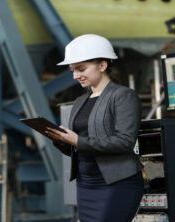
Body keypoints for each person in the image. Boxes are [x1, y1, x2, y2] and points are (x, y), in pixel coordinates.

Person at [45, 34, 144, 222]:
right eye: (73, 70)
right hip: (86, 183)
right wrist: (62, 140)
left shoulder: (123, 95)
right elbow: (79, 147)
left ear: (102, 65)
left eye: (81, 69)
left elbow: (124, 141)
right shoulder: (80, 101)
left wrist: (77, 140)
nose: (75, 76)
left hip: (117, 184)